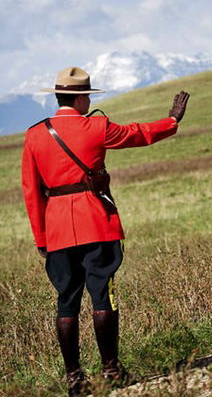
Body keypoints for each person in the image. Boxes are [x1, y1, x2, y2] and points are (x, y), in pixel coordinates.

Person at [21, 66, 190, 396]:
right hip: (96, 223)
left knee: (66, 302)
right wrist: (172, 121)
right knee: (103, 296)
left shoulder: (34, 135)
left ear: (58, 98)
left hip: (56, 230)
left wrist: (41, 237)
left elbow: (31, 191)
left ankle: (74, 380)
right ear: (83, 98)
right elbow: (137, 134)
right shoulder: (97, 127)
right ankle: (112, 371)